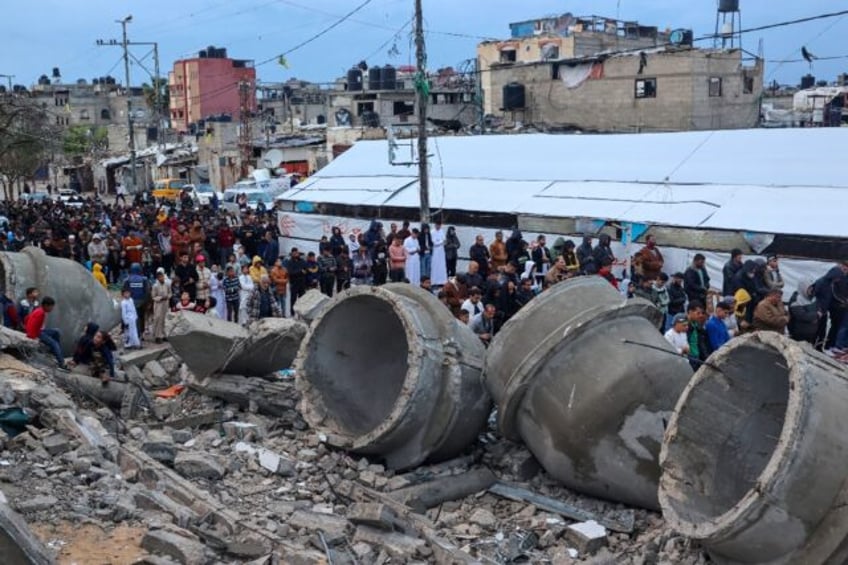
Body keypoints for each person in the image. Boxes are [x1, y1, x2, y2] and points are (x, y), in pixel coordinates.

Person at [25, 296, 66, 368]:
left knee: (56, 331)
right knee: (54, 343)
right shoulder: (41, 313)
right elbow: (34, 328)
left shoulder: (39, 310)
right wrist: (34, 337)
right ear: (46, 305)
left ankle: (54, 352)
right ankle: (62, 364)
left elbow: (27, 319)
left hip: (37, 331)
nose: (52, 309)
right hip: (35, 333)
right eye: (51, 307)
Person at [123, 263, 150, 341]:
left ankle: (134, 335)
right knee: (141, 318)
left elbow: (124, 291)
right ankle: (141, 333)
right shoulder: (144, 279)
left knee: (133, 319)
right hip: (142, 302)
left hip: (131, 303)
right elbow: (147, 292)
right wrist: (146, 302)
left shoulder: (127, 279)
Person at [686, 302, 710, 371]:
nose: (701, 315)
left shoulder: (697, 326)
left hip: (697, 357)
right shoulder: (684, 326)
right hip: (689, 359)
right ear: (690, 312)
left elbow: (701, 343)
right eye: (698, 313)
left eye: (701, 313)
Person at [151, 267, 171, 343]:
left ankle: (164, 335)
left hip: (166, 304)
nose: (161, 278)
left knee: (165, 319)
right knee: (158, 319)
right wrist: (161, 298)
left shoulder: (167, 284)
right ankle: (157, 336)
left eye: (162, 276)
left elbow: (170, 293)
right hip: (158, 305)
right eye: (160, 277)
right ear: (158, 278)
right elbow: (153, 297)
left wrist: (167, 297)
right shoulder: (155, 286)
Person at [430, 222, 448, 287]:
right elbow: (434, 242)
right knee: (435, 265)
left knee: (442, 265)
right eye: (437, 225)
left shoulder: (441, 231)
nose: (438, 226)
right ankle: (434, 281)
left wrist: (441, 242)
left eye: (439, 225)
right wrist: (441, 242)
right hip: (435, 251)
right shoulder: (432, 232)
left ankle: (442, 281)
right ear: (435, 225)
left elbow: (445, 240)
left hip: (441, 251)